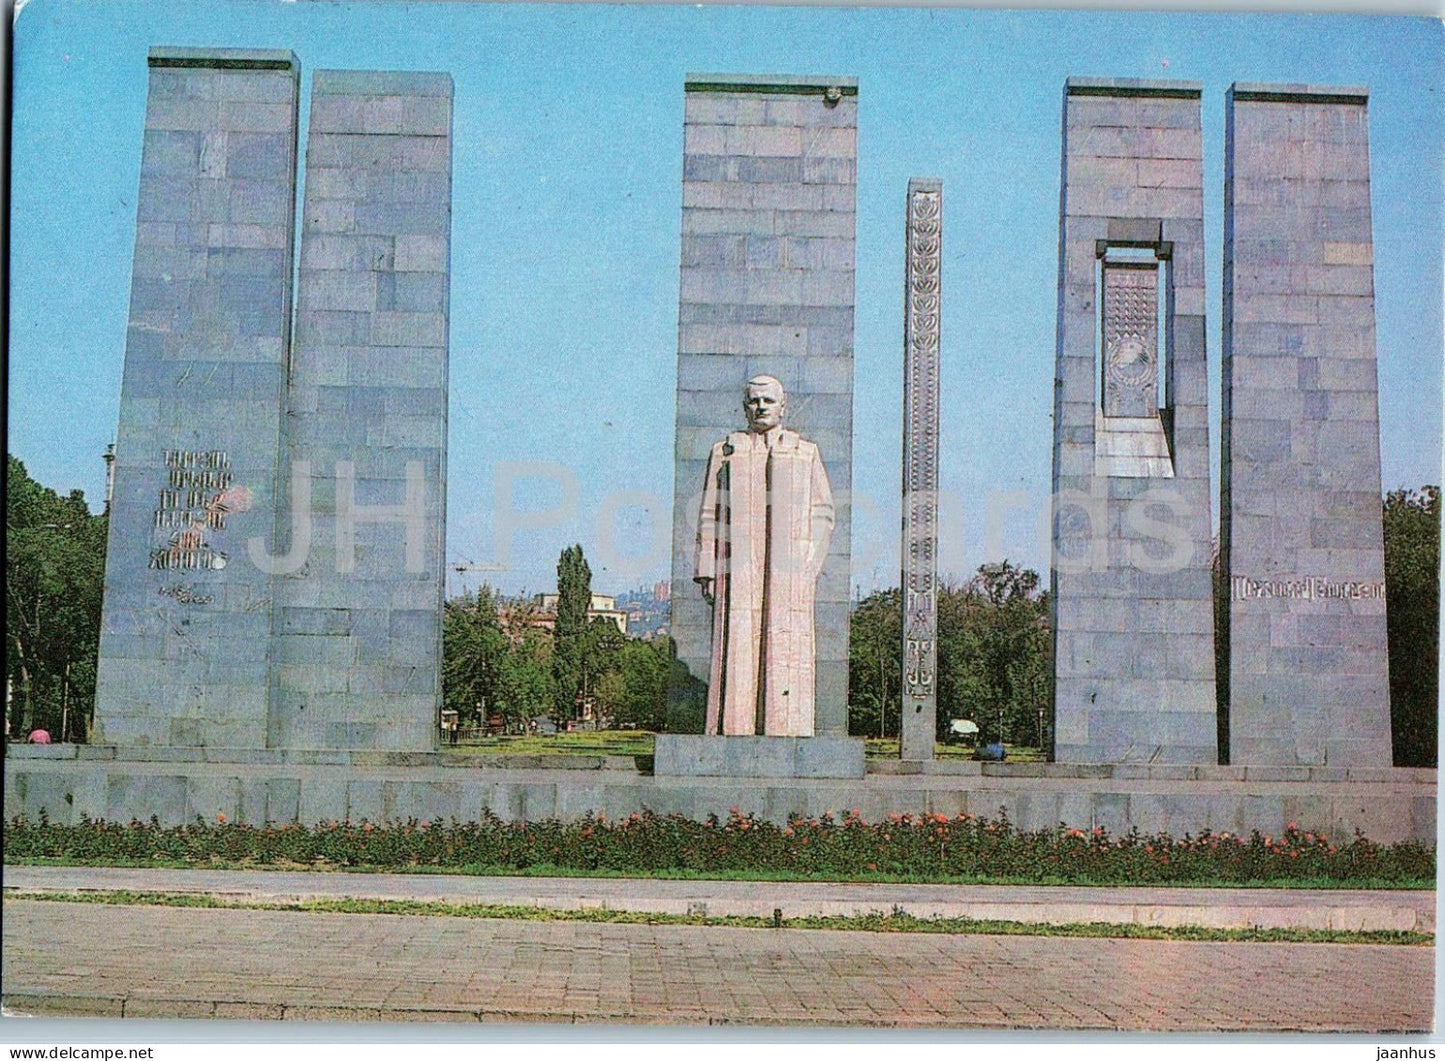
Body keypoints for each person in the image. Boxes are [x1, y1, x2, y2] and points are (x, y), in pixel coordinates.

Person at [694, 375, 834, 737]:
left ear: (782, 406)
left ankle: (786, 728)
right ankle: (733, 728)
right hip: (737, 569)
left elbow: (823, 512)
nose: (760, 408)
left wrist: (808, 562)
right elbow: (709, 512)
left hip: (788, 572)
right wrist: (707, 570)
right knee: (738, 645)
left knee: (785, 647)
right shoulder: (725, 451)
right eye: (754, 401)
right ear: (744, 407)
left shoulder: (805, 451)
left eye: (768, 401)